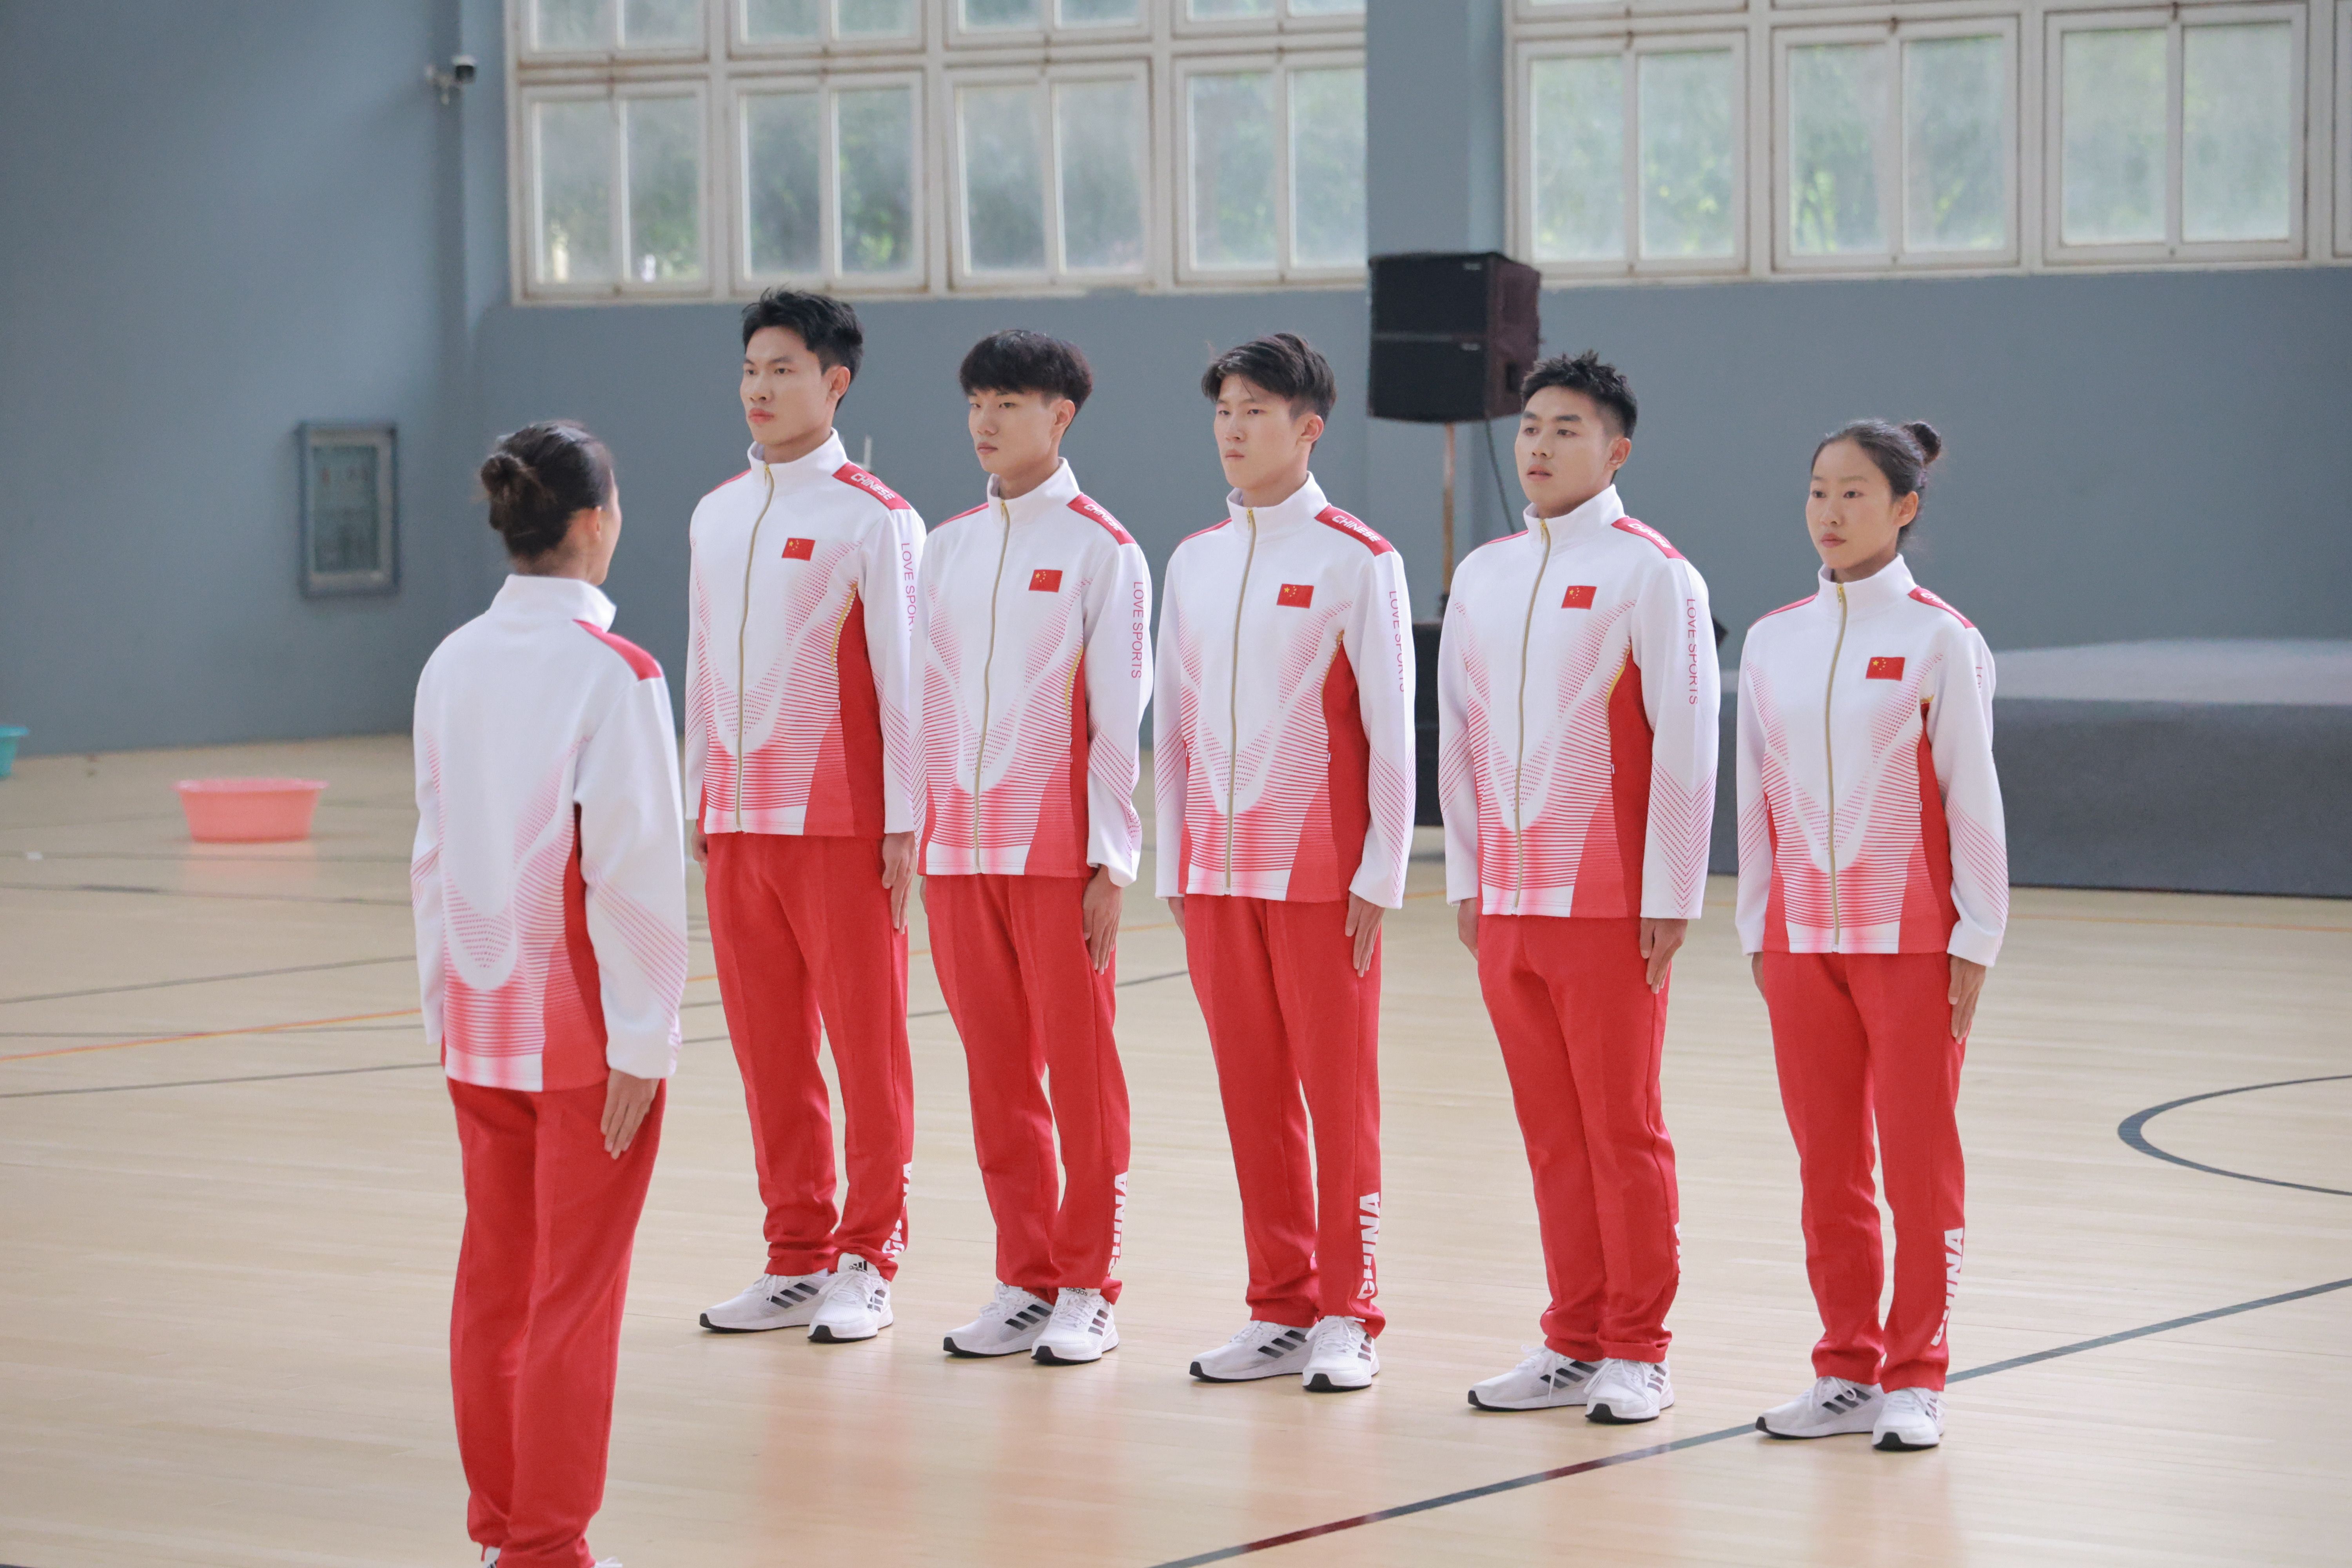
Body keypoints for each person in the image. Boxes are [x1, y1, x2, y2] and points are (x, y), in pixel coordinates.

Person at [412, 421, 687, 1568]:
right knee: (574, 1296)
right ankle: (549, 1548)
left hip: (481, 1027)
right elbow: (636, 875)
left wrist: (446, 1013)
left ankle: (503, 1534)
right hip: (584, 1048)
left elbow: (433, 854)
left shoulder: (450, 661)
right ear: (595, 521)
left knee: (496, 1285)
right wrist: (645, 1042)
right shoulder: (618, 675)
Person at [1436, 351, 1718, 1424]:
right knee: (1552, 1134)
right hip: (1509, 899)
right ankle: (1574, 1336)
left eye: (1567, 429)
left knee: (1621, 1129)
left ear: (1617, 450)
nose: (1540, 447)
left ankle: (1639, 1348)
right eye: (1530, 428)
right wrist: (1469, 875)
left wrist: (1672, 891)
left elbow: (1688, 741)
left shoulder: (1655, 574)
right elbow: (1459, 733)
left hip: (1609, 902)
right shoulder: (1486, 574)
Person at [1738, 419, 2005, 1453]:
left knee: (1918, 1163)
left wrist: (1977, 935)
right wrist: (1757, 923)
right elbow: (1754, 793)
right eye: (1819, 491)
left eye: (1855, 493)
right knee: (1828, 1166)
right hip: (1800, 937)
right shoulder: (1773, 639)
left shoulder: (1942, 640)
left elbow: (1972, 796)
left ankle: (1917, 1374)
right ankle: (1845, 1367)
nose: (1831, 511)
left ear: (1905, 508)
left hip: (1913, 942)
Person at [1154, 332, 1414, 1393]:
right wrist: (1174, 864)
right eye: (1224, 409)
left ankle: (1350, 1311)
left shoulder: (1359, 559)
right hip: (1217, 875)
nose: (1233, 427)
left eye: (1256, 410)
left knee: (1337, 1102)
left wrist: (1381, 871)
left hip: (1321, 879)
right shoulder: (1194, 561)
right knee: (1252, 1097)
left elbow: (1393, 729)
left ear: (1309, 428)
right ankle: (1280, 1306)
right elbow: (1172, 725)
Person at [690, 289, 926, 1343]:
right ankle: (796, 1253)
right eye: (751, 368)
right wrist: (699, 794)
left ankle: (869, 1255)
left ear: (835, 383)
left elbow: (909, 681)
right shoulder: (715, 512)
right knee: (769, 1052)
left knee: (867, 1053)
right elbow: (700, 660)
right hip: (738, 821)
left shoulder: (876, 518)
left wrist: (905, 818)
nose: (759, 387)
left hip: (842, 826)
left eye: (783, 369)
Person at [918, 330, 1152, 1367]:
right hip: (959, 852)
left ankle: (1088, 1286)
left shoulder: (1104, 549)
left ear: (1061, 417)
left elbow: (1119, 717)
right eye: (977, 401)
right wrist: (922, 831)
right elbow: (923, 698)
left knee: (1082, 1076)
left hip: (1057, 855)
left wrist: (1109, 861)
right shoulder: (947, 546)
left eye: (1007, 403)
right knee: (997, 1076)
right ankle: (1025, 1277)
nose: (985, 421)